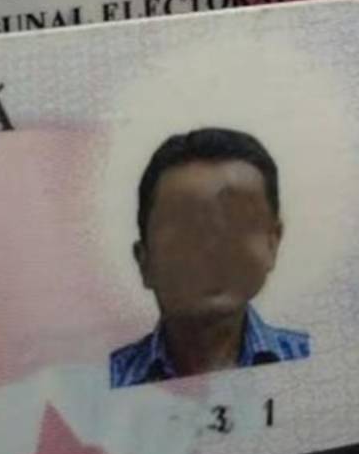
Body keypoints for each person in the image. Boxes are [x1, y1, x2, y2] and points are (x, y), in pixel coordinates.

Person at [110, 128, 309, 388]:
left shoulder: (320, 361)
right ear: (144, 259)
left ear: (272, 244)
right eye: (186, 226)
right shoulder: (94, 385)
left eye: (238, 221)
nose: (213, 247)